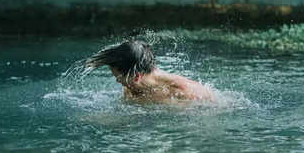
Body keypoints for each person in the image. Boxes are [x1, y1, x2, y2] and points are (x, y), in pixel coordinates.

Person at [85, 40, 218, 104]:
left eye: (119, 78)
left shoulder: (183, 92)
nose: (118, 81)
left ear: (136, 76)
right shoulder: (133, 87)